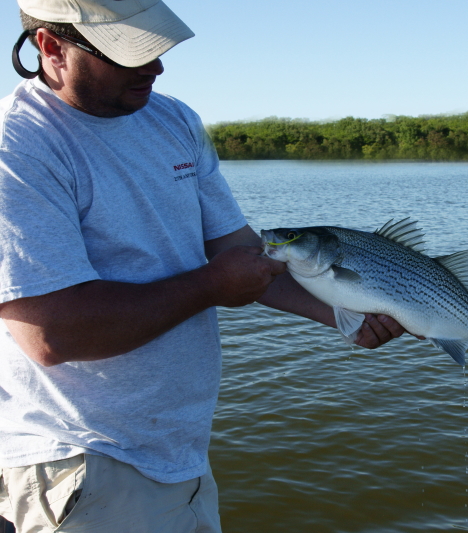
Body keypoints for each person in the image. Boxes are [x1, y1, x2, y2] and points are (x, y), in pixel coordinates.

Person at [0, 1, 406, 531]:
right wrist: (211, 286)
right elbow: (52, 334)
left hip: (180, 454)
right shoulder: (19, 147)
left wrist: (345, 317)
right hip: (83, 461)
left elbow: (237, 251)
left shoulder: (173, 119)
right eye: (130, 54)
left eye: (157, 47)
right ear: (51, 48)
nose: (156, 68)